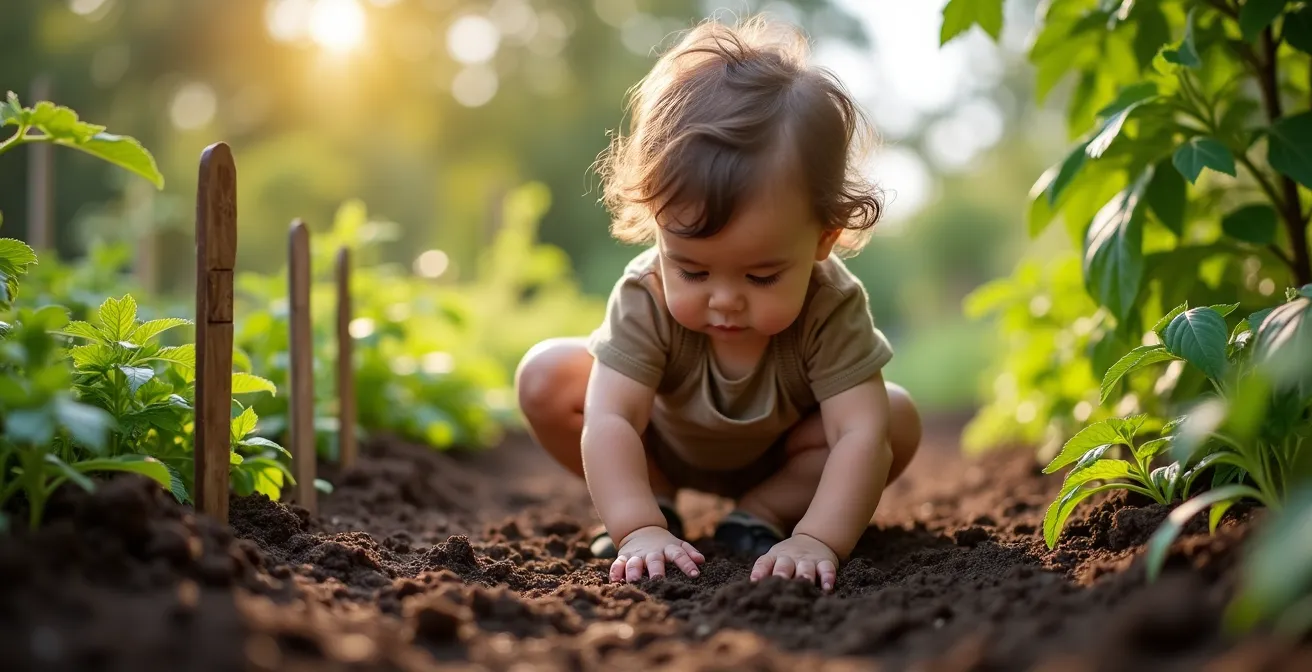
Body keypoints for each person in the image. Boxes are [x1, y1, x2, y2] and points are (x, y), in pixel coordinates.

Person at [515, 15, 921, 593]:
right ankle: (655, 502)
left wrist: (819, 539)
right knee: (547, 376)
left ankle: (762, 515)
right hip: (659, 445)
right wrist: (635, 529)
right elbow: (611, 418)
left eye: (761, 275)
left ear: (823, 238)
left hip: (785, 459)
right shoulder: (646, 295)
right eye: (694, 269)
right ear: (657, 225)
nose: (725, 299)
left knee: (892, 418)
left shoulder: (831, 305)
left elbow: (859, 435)